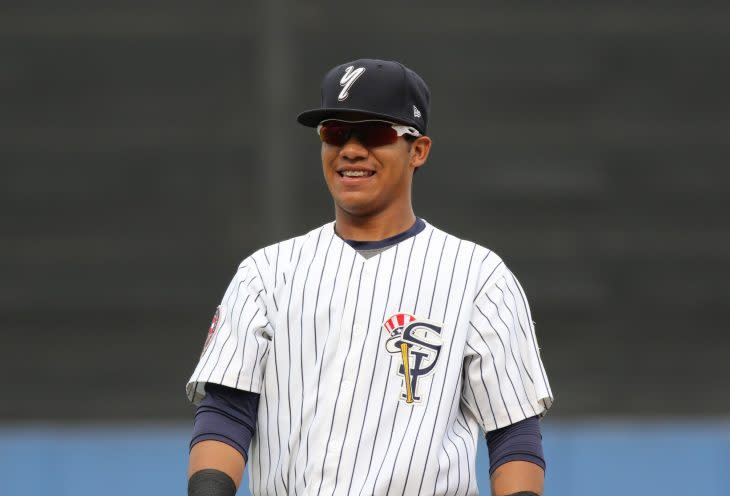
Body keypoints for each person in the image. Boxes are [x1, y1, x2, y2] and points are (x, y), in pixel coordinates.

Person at [185, 58, 553, 496]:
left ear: (418, 150)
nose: (351, 150)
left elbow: (512, 434)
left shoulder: (478, 277)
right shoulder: (265, 274)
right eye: (335, 133)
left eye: (375, 133)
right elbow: (226, 413)